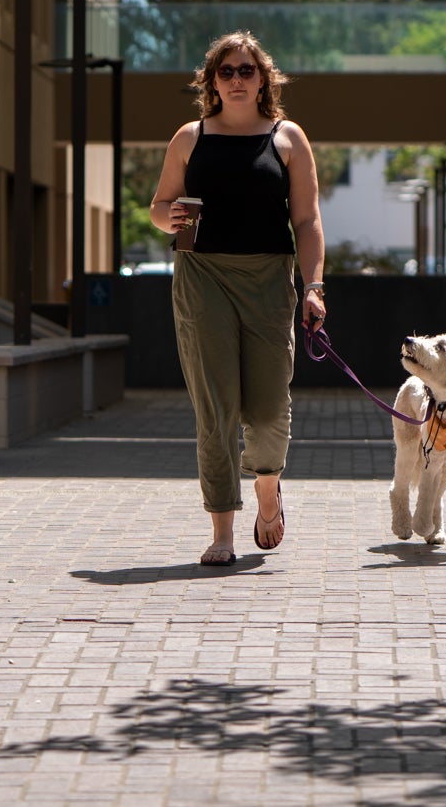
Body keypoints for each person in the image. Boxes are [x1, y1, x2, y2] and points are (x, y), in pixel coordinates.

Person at [149, 30, 326, 566]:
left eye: (246, 70)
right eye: (226, 71)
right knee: (217, 409)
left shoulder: (287, 137)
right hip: (202, 278)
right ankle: (222, 529)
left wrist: (314, 287)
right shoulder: (189, 138)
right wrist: (168, 216)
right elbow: (159, 207)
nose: (237, 79)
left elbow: (308, 220)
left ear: (263, 79)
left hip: (270, 281)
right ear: (212, 82)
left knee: (270, 409)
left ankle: (268, 488)